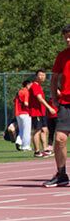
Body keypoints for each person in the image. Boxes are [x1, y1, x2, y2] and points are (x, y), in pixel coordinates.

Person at [42, 25, 70, 187]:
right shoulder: (62, 56)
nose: (68, 40)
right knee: (59, 139)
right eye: (66, 37)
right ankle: (61, 174)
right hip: (65, 103)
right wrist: (54, 98)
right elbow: (54, 79)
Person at [30, 69, 57, 157]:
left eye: (43, 75)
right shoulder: (35, 85)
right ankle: (37, 151)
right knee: (37, 130)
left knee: (44, 130)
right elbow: (39, 98)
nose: (42, 77)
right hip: (36, 112)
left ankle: (45, 149)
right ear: (36, 76)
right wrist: (49, 108)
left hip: (41, 112)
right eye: (40, 75)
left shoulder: (39, 86)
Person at [13, 78, 33, 152]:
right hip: (25, 113)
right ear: (27, 85)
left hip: (18, 113)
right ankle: (26, 146)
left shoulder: (18, 92)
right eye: (31, 85)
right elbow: (26, 103)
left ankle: (18, 142)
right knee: (27, 131)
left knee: (21, 130)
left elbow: (15, 102)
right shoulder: (26, 92)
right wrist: (32, 107)